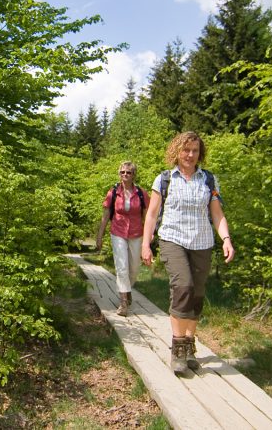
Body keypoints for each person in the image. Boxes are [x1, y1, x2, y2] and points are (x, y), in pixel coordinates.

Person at [140, 132, 235, 375]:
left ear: (199, 153)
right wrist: (145, 243)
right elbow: (151, 214)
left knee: (197, 293)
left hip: (202, 242)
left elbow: (217, 214)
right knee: (183, 287)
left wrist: (226, 238)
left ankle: (190, 344)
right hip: (173, 239)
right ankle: (178, 348)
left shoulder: (209, 180)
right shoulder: (164, 179)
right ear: (177, 151)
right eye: (186, 150)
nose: (190, 155)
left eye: (194, 150)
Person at [96, 161, 149, 317]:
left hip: (136, 233)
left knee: (134, 268)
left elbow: (147, 216)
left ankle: (128, 289)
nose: (125, 175)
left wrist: (148, 235)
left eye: (129, 172)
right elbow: (106, 215)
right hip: (117, 232)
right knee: (122, 267)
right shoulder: (113, 192)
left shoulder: (141, 193)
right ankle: (123, 302)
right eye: (123, 172)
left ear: (134, 175)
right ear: (119, 174)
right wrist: (100, 235)